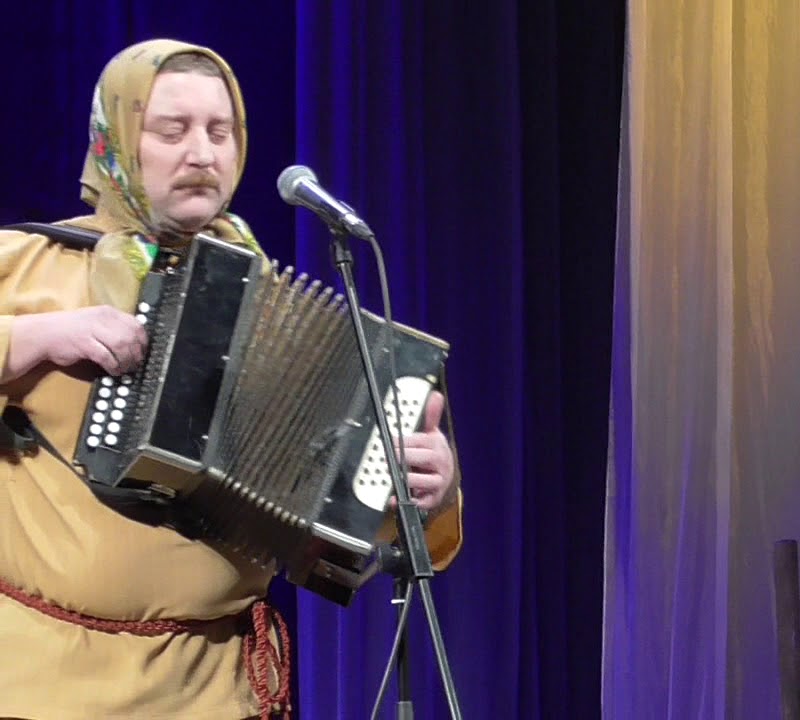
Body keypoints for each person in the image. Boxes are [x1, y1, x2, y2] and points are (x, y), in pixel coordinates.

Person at [0, 39, 462, 719]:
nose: (201, 153)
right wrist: (33, 337)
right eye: (172, 130)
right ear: (117, 139)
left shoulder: (269, 305)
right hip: (48, 687)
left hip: (221, 690)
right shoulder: (24, 264)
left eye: (220, 132)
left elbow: (348, 523)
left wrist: (428, 492)